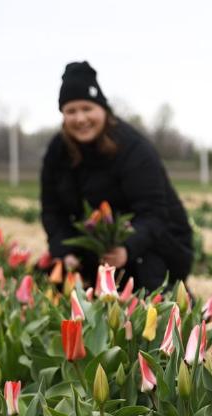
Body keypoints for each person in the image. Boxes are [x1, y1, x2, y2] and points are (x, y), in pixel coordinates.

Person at [40, 61, 194, 292]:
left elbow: (154, 214)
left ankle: (176, 302)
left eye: (87, 108)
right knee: (52, 285)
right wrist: (64, 251)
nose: (80, 119)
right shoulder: (57, 151)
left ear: (103, 109)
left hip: (155, 245)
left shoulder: (133, 148)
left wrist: (127, 250)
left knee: (144, 294)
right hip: (98, 249)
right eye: (71, 111)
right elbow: (52, 211)